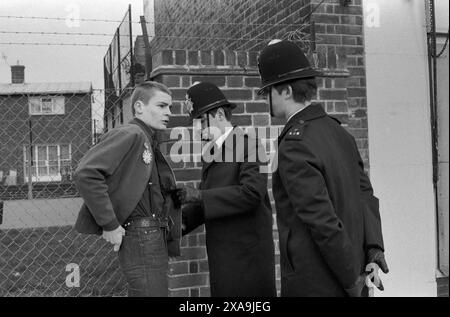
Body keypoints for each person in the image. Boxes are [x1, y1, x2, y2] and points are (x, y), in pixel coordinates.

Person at [257, 40, 389, 297]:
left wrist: (352, 281)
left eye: (267, 92)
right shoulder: (339, 133)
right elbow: (365, 195)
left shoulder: (294, 144)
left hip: (321, 282)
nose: (265, 99)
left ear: (285, 91)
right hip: (354, 271)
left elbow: (321, 221)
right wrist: (374, 248)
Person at [73, 81, 181, 297]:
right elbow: (86, 172)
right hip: (142, 235)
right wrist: (110, 224)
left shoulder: (147, 138)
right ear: (139, 107)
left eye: (169, 107)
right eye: (161, 106)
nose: (168, 113)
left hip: (151, 234)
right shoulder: (132, 133)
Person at [178, 82, 276, 297]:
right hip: (222, 253)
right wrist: (177, 224)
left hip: (247, 255)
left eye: (201, 121)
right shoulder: (212, 150)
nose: (197, 129)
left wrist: (199, 195)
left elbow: (252, 194)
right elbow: (209, 203)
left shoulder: (249, 144)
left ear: (220, 115)